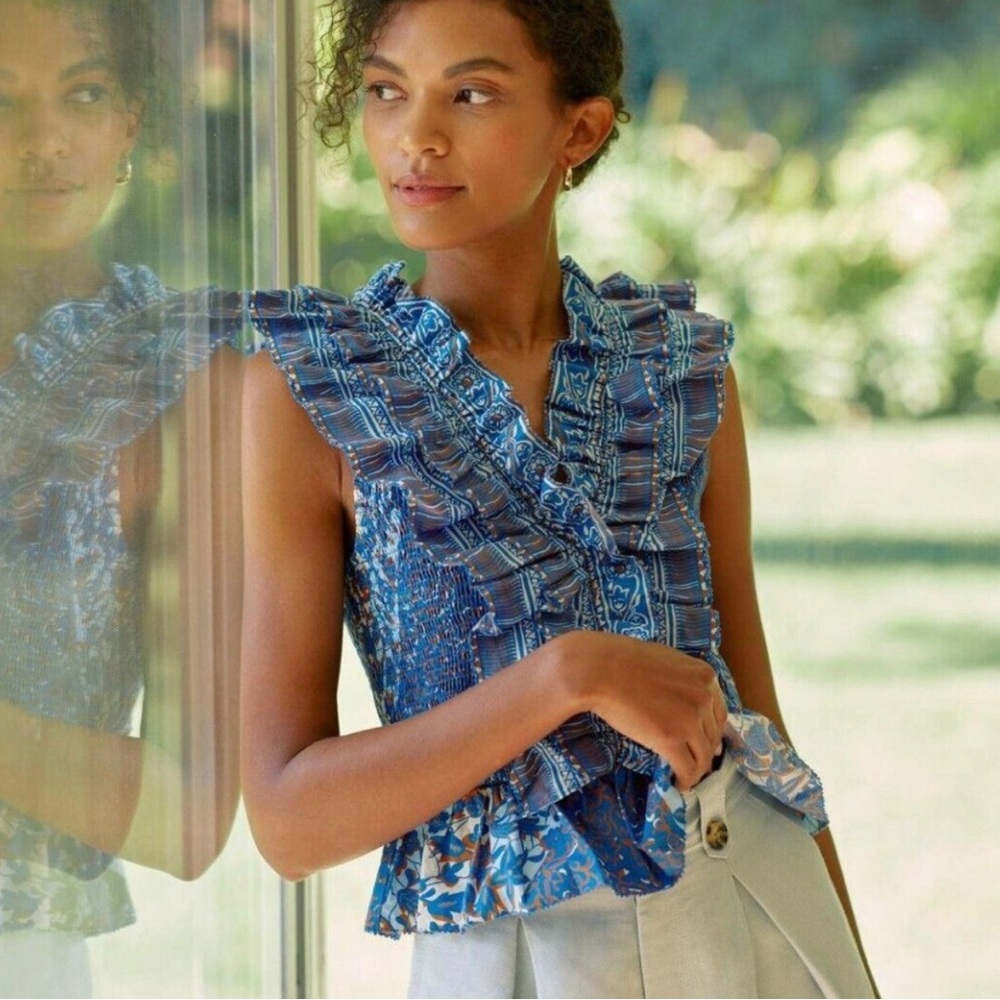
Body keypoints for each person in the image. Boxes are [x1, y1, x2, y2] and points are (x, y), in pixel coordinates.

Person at [241, 0, 878, 996]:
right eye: (384, 91)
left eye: (474, 91)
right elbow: (286, 822)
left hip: (748, 915)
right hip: (509, 959)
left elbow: (757, 724)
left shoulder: (679, 366)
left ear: (578, 127)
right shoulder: (310, 392)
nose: (416, 136)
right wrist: (565, 676)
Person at [0, 1, 244, 995]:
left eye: (84, 94)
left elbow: (186, 818)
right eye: (1, 101)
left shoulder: (174, 382)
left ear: (133, 120)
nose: (45, 140)